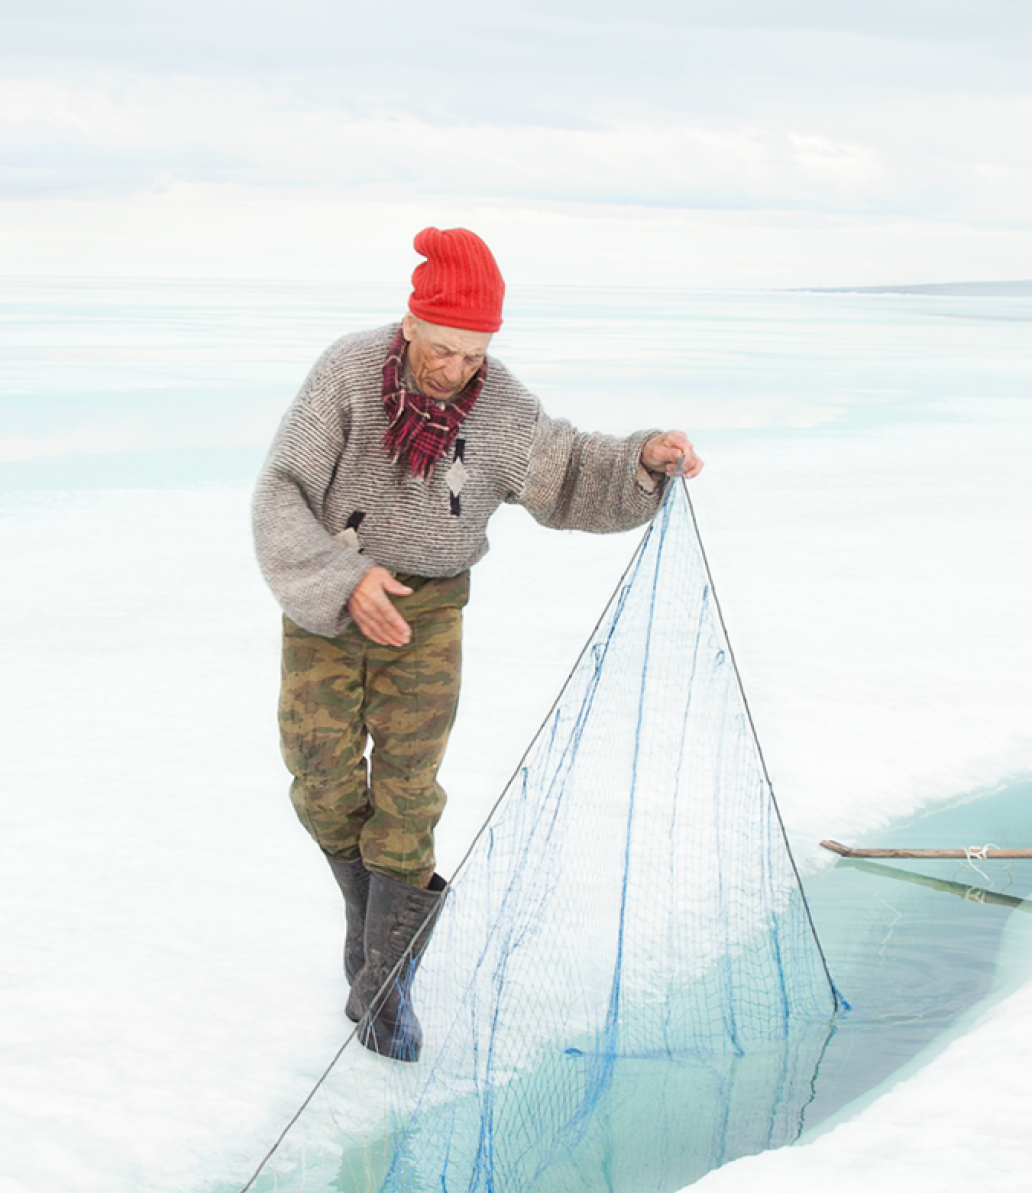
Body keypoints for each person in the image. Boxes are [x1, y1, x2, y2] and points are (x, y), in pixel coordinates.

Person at [251, 227, 701, 1059]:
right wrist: (339, 581)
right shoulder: (347, 374)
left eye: (473, 355)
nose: (456, 370)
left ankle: (386, 985)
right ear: (412, 322)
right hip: (331, 591)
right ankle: (370, 926)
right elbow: (281, 492)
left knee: (409, 791)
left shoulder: (500, 410)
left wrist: (639, 459)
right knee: (319, 778)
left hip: (428, 611)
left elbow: (568, 474)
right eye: (445, 349)